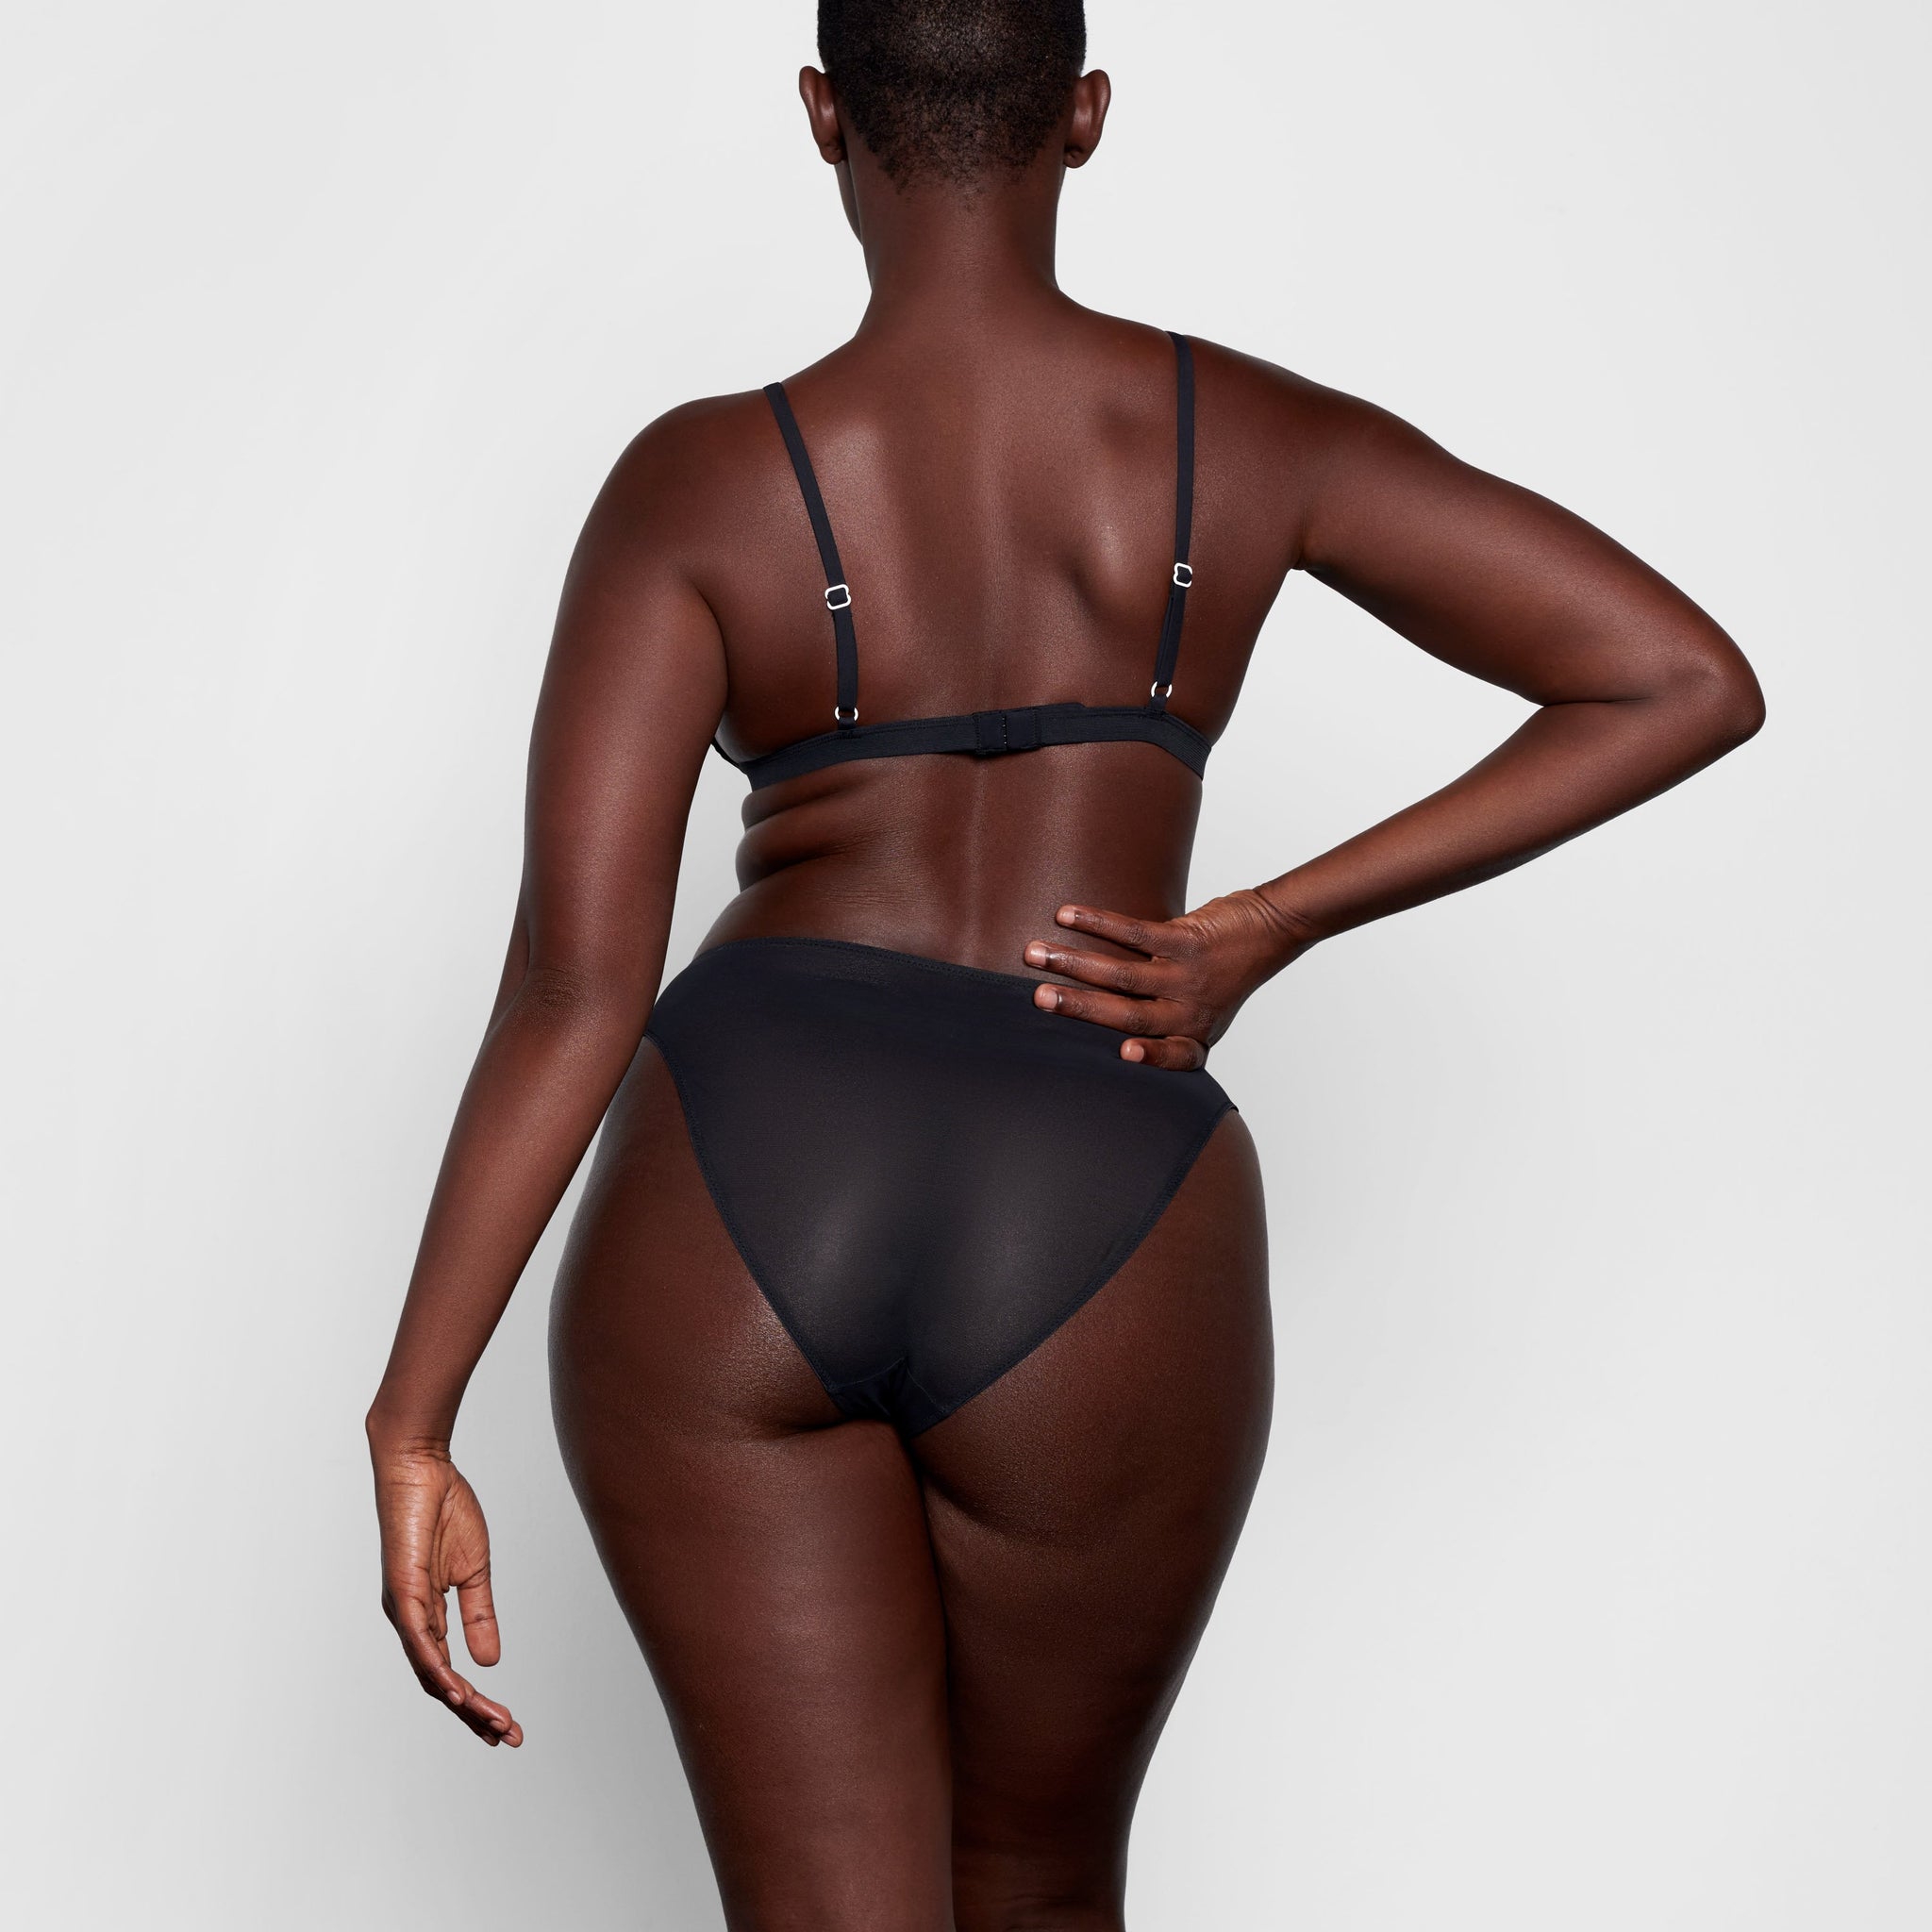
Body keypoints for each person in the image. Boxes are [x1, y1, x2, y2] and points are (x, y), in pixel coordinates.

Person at [367, 3, 1763, 1924]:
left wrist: (414, 1415)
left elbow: (572, 989)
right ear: (1084, 116)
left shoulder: (696, 484)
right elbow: (1678, 678)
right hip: (1098, 1183)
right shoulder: (1252, 437)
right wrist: (1263, 922)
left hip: (752, 1169)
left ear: (823, 115)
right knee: (1042, 1887)